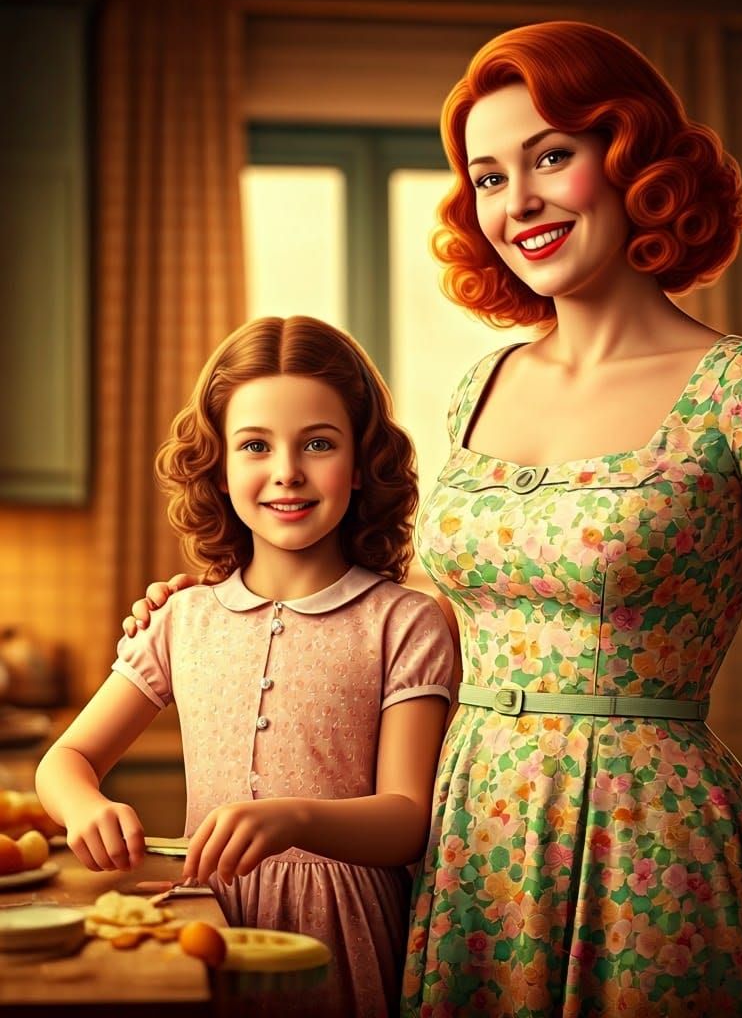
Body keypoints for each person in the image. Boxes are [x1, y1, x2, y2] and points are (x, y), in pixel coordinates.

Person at [122, 21, 742, 1018]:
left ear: (631, 158)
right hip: (469, 855)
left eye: (551, 155)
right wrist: (225, 605)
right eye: (490, 177)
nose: (519, 203)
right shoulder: (479, 386)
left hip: (652, 857)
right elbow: (422, 619)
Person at [36, 316, 455, 1016]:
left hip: (343, 933)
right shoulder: (180, 618)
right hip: (203, 919)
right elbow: (67, 757)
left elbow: (408, 819)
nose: (287, 470)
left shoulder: (404, 622)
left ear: (360, 466)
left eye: (318, 443)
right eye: (255, 445)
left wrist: (295, 820)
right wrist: (87, 807)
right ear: (220, 469)